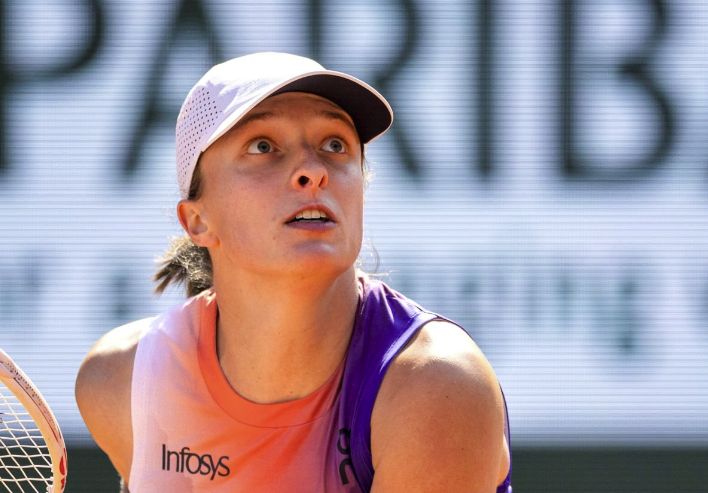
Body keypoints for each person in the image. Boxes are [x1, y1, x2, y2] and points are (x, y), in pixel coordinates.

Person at [76, 52, 512, 493]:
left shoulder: (439, 385)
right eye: (264, 146)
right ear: (197, 222)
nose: (313, 171)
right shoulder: (118, 384)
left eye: (335, 144)